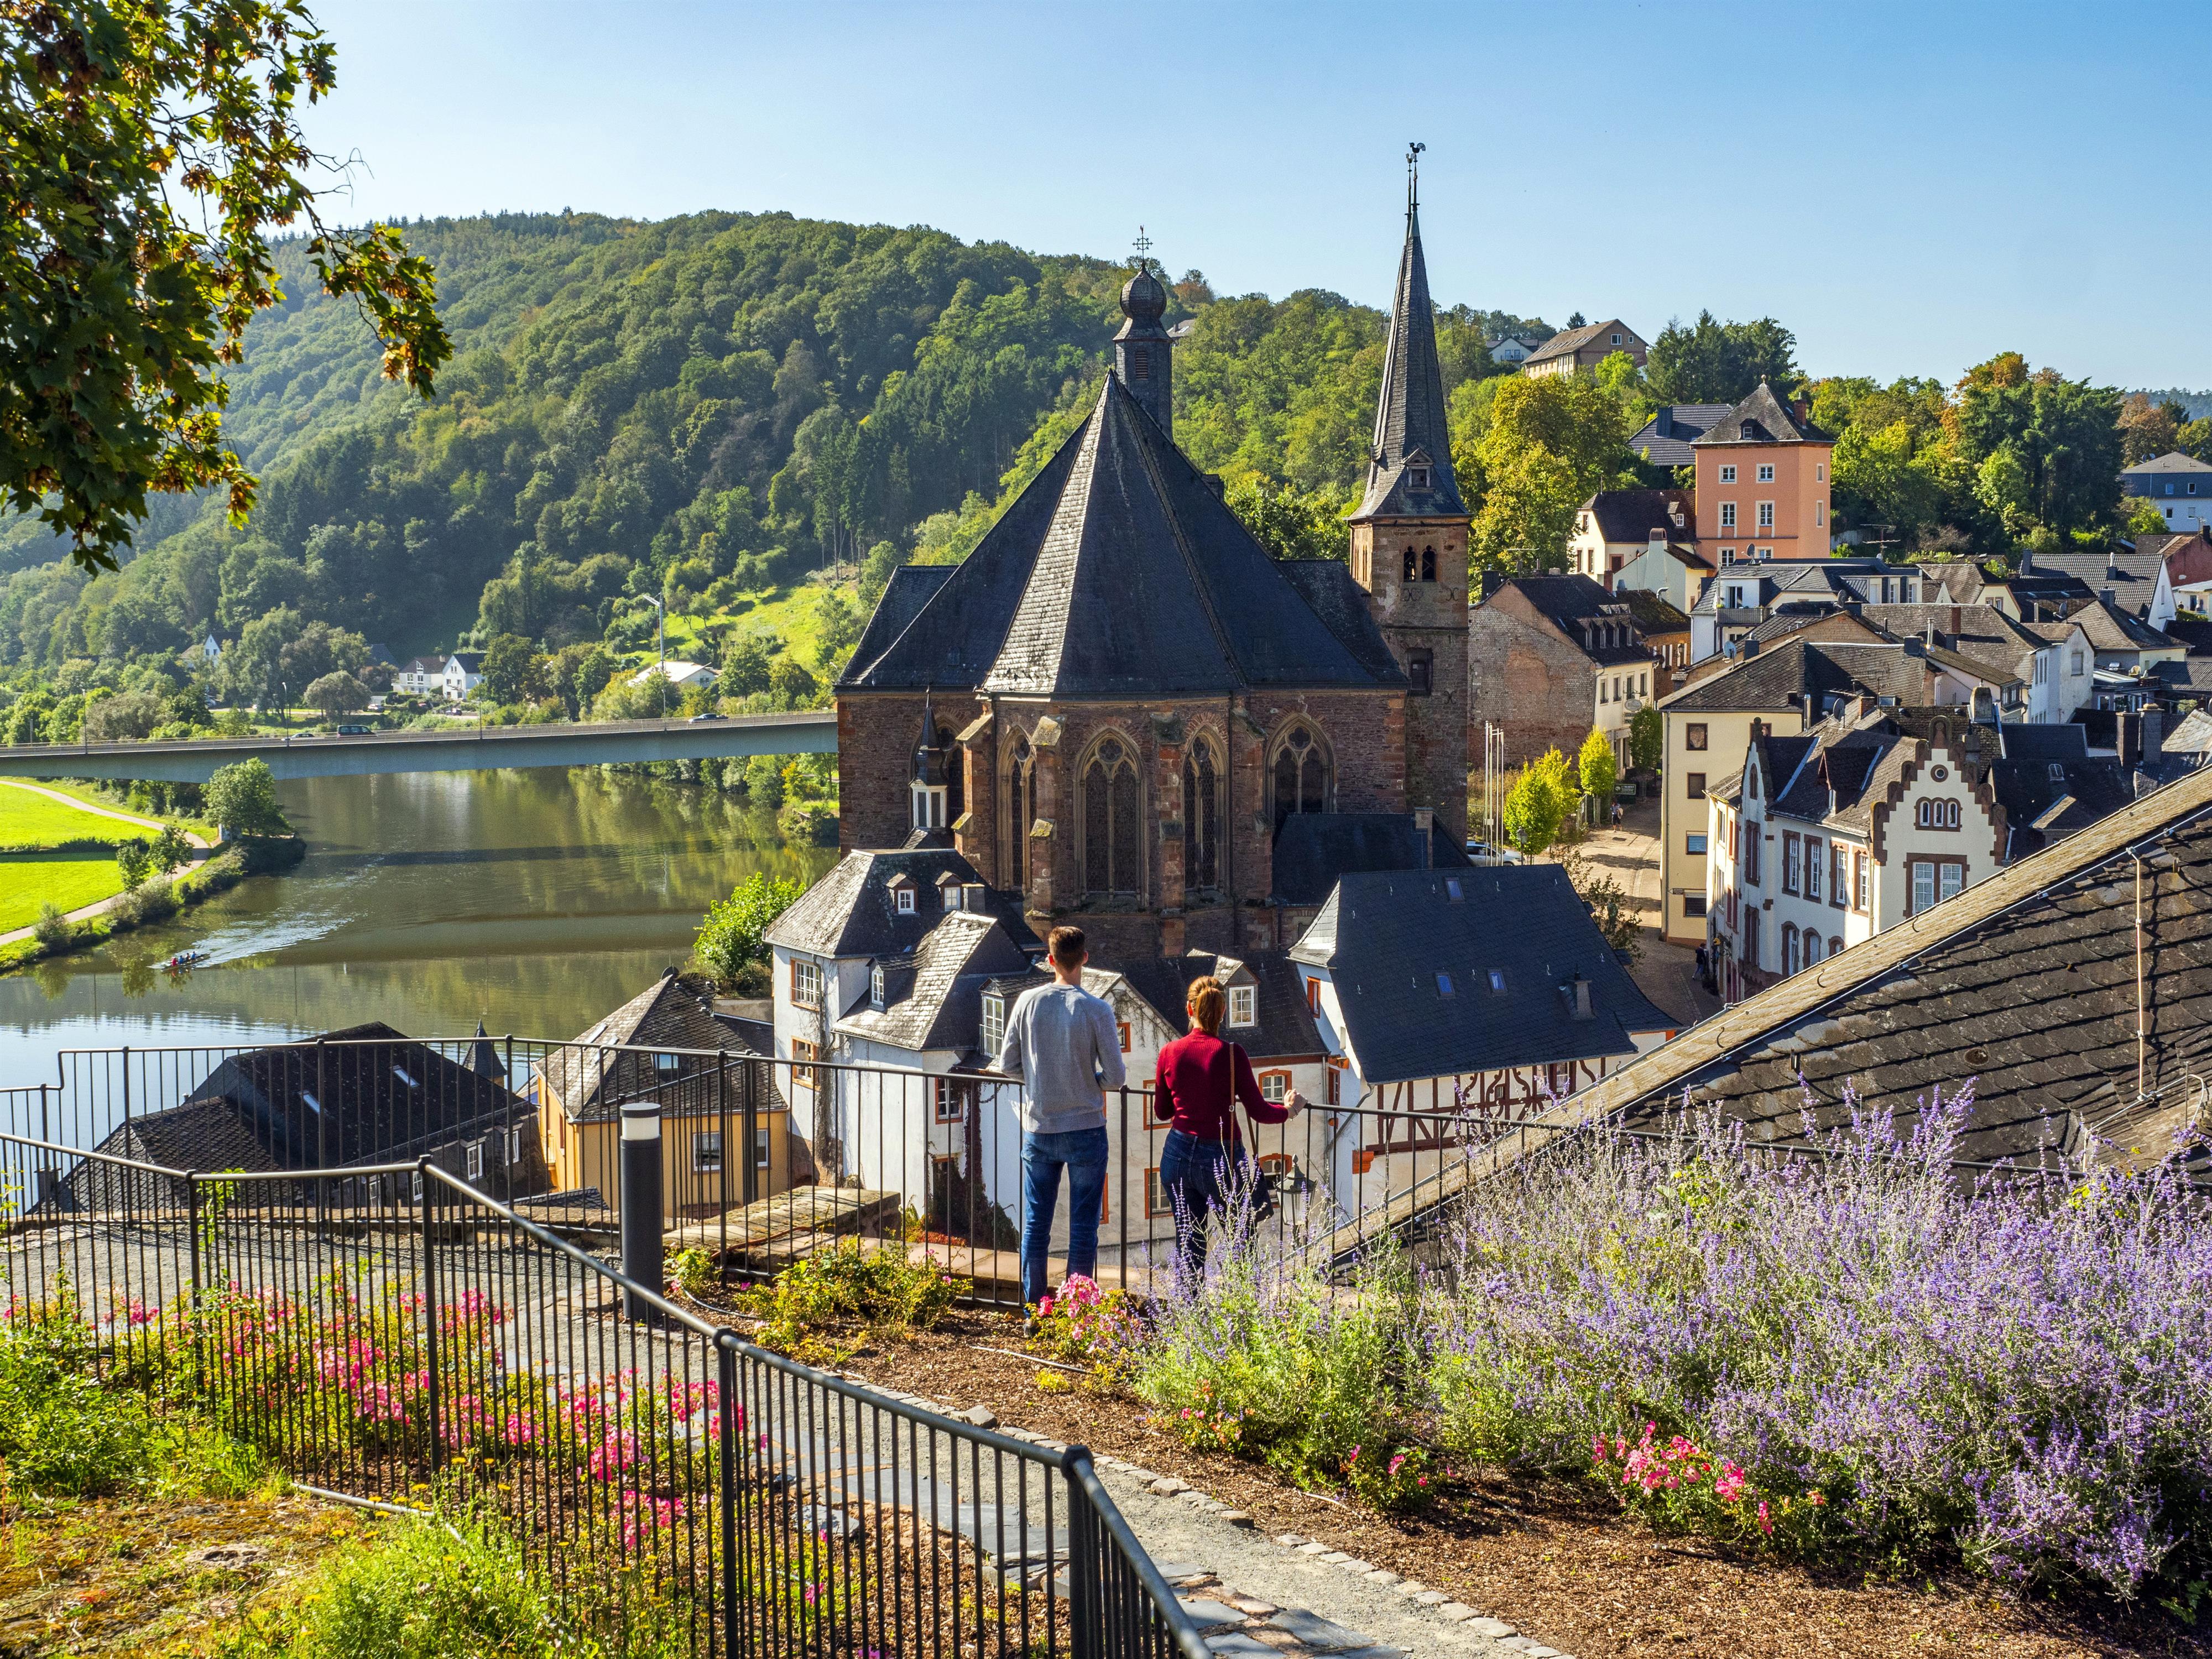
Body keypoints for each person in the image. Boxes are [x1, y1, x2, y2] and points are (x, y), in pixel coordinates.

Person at [993, 925, 1124, 1332]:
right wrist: (1091, 1083)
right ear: (1084, 958)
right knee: (1083, 1226)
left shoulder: (1027, 1002)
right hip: (1086, 1126)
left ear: (1049, 960)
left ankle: (1035, 1311)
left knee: (1037, 1223)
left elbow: (1006, 1065)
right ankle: (1076, 1312)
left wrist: (1036, 1081)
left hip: (1040, 1126)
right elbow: (1117, 1077)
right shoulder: (1097, 1009)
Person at [1152, 976, 1301, 1288]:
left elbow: (1163, 1112)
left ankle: (1189, 1316)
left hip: (1177, 1154)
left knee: (1189, 1242)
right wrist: (1291, 1108)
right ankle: (1245, 1316)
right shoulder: (1233, 1055)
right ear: (1222, 1013)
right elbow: (1259, 1111)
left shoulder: (1170, 1052)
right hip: (1220, 1158)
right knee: (1241, 1240)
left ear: (1189, 1008)